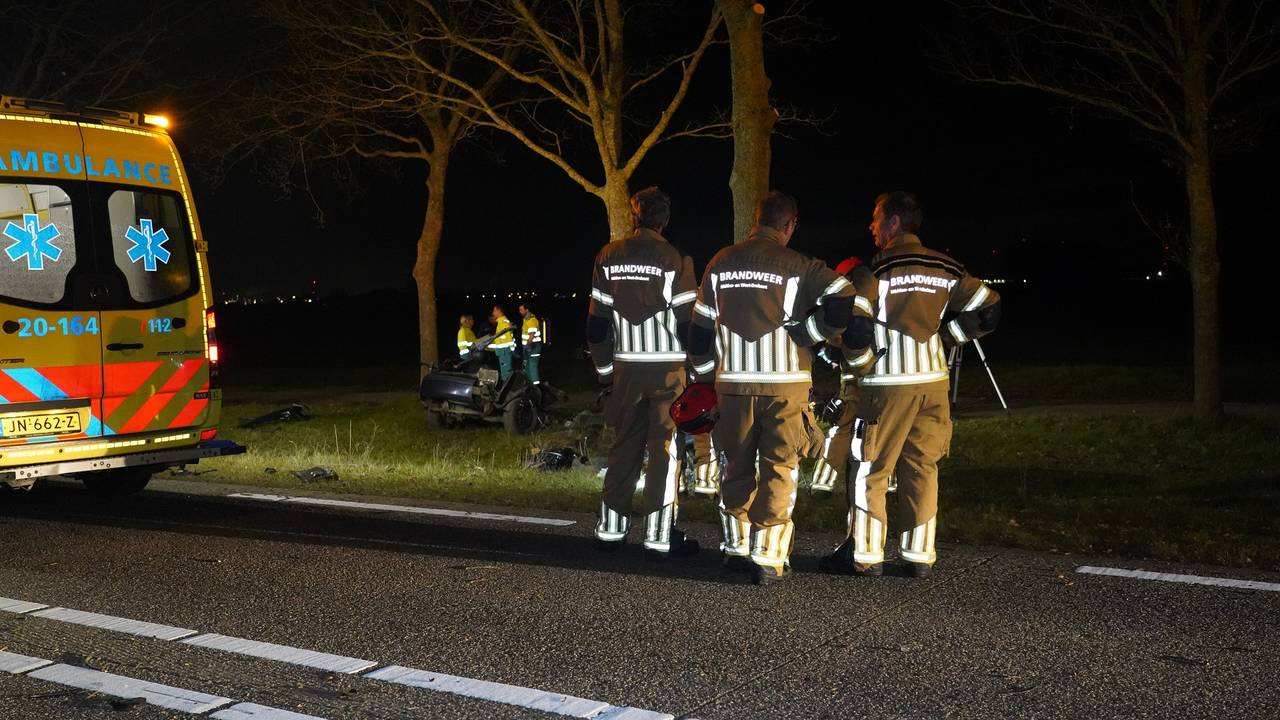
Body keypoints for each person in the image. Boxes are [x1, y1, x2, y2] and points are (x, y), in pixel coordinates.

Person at [686, 190, 872, 584]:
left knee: (733, 464)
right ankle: (768, 556)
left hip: (732, 387)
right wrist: (811, 331)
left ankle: (736, 547)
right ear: (789, 225)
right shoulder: (799, 264)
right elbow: (844, 296)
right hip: (785, 387)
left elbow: (699, 333)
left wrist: (705, 380)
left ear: (756, 219)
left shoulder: (720, 262)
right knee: (779, 468)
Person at [821, 191, 1001, 579]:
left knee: (871, 468)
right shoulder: (946, 266)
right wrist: (948, 338)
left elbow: (857, 326)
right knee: (922, 467)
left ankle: (866, 555)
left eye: (875, 218)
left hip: (887, 385)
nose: (871, 226)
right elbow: (990, 308)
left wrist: (857, 365)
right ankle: (918, 556)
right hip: (933, 384)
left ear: (894, 222)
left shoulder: (875, 270)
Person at [586, 186, 701, 559]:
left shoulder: (607, 256)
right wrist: (700, 371)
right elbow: (688, 324)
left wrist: (605, 370)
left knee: (624, 448)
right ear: (665, 220)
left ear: (635, 215)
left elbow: (596, 325)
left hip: (625, 370)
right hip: (667, 371)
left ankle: (611, 530)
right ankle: (659, 534)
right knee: (665, 450)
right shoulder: (675, 258)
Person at [518, 303, 543, 385]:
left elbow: (531, 336)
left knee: (532, 368)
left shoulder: (532, 320)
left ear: (527, 310)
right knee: (528, 367)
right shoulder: (526, 320)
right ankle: (530, 386)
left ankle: (536, 388)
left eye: (521, 309)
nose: (520, 311)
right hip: (529, 347)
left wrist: (527, 347)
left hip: (533, 347)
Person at [490, 305, 516, 382]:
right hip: (503, 352)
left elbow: (509, 339)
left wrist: (511, 349)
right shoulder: (501, 323)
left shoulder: (503, 323)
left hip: (504, 352)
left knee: (506, 375)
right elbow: (499, 340)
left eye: (494, 311)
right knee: (505, 374)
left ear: (499, 311)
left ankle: (507, 392)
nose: (493, 313)